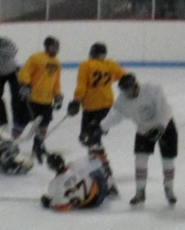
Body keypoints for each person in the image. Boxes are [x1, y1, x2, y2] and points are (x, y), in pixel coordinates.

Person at [98, 73, 178, 205]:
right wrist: (101, 127)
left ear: (136, 85)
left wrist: (160, 127)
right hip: (144, 130)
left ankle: (169, 189)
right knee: (140, 159)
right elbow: (115, 116)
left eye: (129, 89)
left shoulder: (152, 89)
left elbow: (164, 108)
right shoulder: (122, 100)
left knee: (168, 160)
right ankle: (140, 192)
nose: (127, 93)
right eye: (124, 90)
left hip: (165, 126)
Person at [11, 36, 63, 164]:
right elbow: (25, 72)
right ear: (46, 46)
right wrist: (25, 84)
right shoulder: (36, 57)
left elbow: (56, 82)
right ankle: (11, 144)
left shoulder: (57, 63)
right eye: (53, 46)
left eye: (57, 46)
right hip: (32, 99)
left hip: (46, 101)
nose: (55, 49)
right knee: (21, 123)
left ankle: (38, 146)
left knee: (43, 126)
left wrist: (57, 95)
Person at [67, 42, 126, 146]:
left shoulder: (86, 65)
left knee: (87, 138)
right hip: (107, 105)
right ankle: (97, 156)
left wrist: (76, 101)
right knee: (95, 135)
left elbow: (81, 86)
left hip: (91, 106)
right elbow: (124, 78)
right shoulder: (110, 64)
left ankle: (97, 158)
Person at [40, 150, 118, 211]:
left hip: (89, 204)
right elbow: (99, 161)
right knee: (97, 171)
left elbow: (63, 207)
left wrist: (49, 203)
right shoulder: (75, 165)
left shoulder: (54, 184)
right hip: (100, 190)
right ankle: (110, 185)